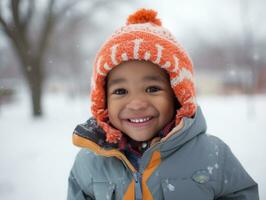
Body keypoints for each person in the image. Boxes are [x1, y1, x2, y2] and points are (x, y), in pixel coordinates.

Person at [67, 9, 259, 200]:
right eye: (120, 91)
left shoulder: (213, 155)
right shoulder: (89, 162)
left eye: (152, 89)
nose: (136, 104)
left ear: (177, 95)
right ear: (103, 101)